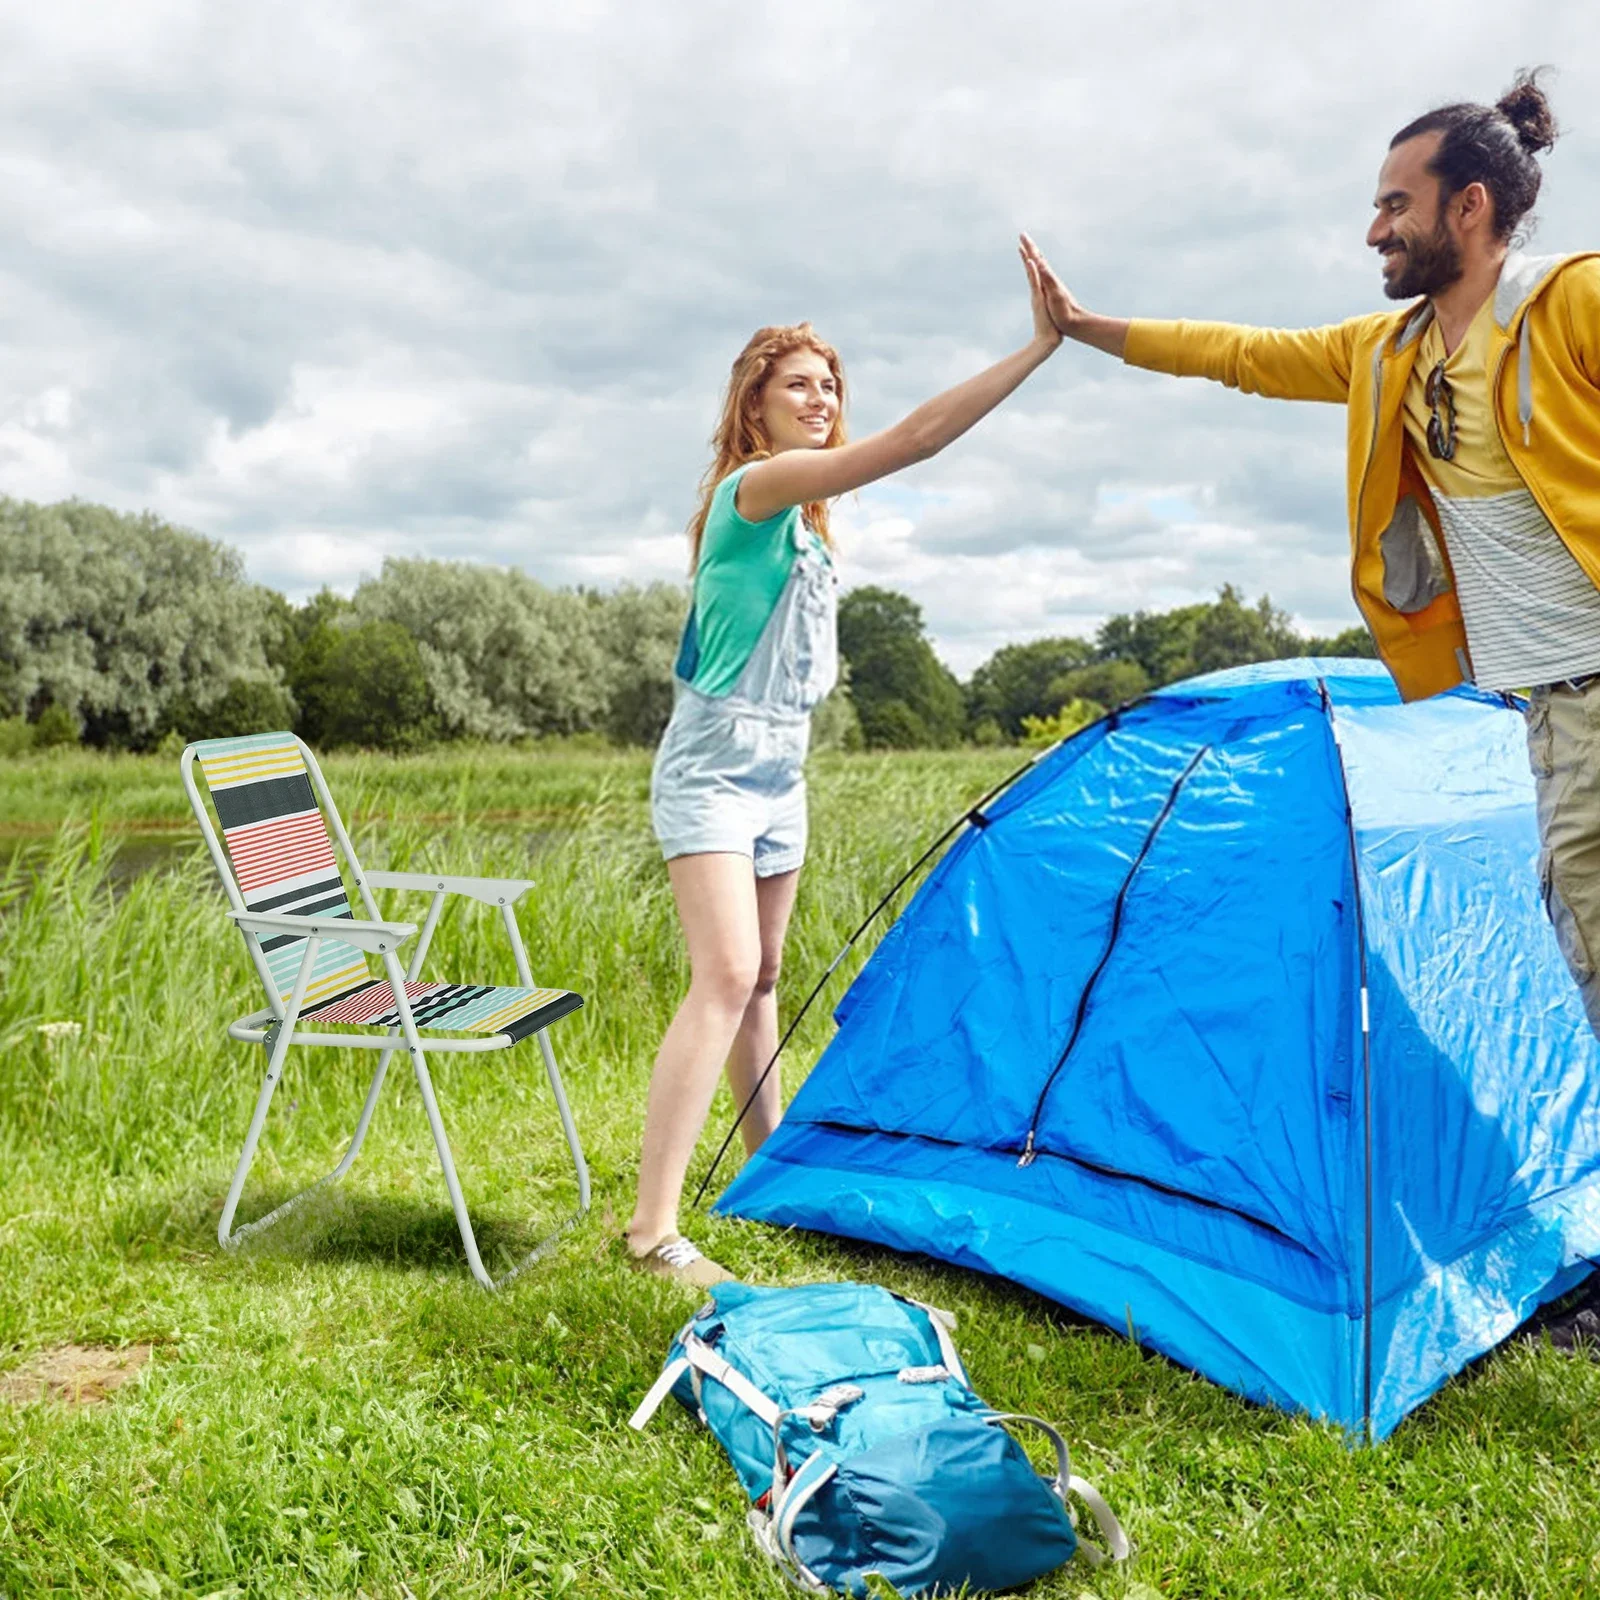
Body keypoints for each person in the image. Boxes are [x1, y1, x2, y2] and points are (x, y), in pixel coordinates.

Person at [1025, 70, 1600, 1039]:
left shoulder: (1570, 299)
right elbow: (1241, 355)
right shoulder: (1389, 354)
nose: (1375, 230)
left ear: (1469, 206)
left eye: (1396, 205)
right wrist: (1085, 329)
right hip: (1553, 704)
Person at [627, 239, 1062, 1285]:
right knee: (726, 975)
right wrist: (1039, 348)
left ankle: (769, 1165)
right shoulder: (756, 489)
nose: (820, 400)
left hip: (782, 771)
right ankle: (649, 1231)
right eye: (798, 385)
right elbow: (915, 441)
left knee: (766, 977)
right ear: (757, 404)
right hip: (712, 769)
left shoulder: (809, 528)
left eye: (829, 386)